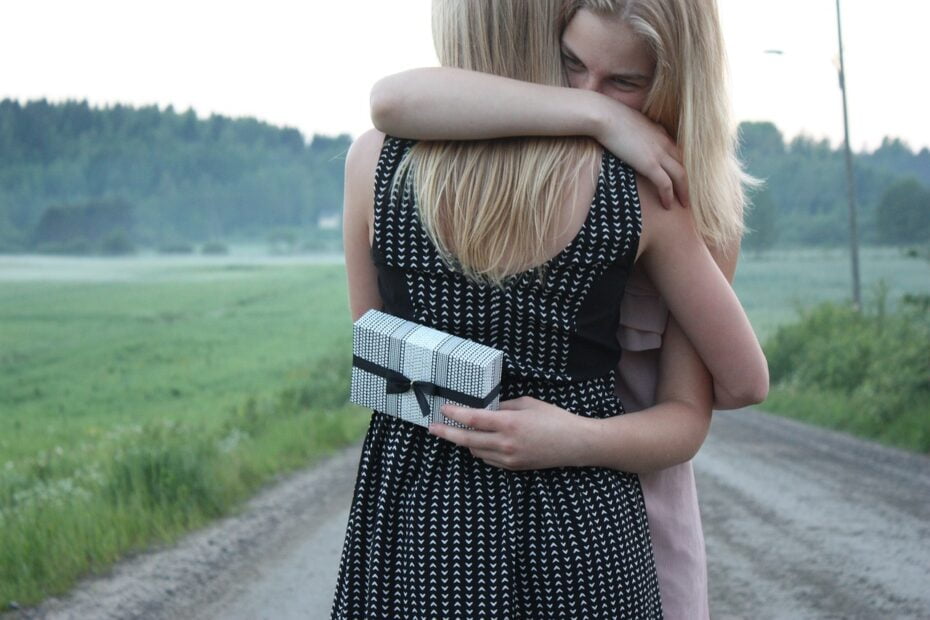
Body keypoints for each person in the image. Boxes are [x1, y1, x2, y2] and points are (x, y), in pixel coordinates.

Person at [333, 0, 767, 617]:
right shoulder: (637, 194)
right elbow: (390, 100)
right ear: (548, 49)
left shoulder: (372, 161)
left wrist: (572, 435)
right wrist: (600, 118)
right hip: (587, 515)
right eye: (573, 66)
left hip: (425, 501)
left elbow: (374, 345)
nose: (594, 96)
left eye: (625, 83)